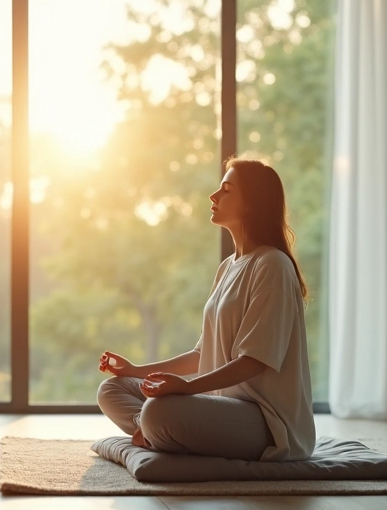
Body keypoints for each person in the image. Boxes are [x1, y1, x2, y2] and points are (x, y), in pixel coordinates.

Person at [96, 157, 315, 462]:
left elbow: (254, 361)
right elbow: (202, 355)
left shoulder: (272, 265)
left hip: (265, 423)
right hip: (221, 410)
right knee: (112, 389)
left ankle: (155, 428)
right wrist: (134, 371)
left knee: (161, 409)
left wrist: (186, 389)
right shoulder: (227, 268)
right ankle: (149, 430)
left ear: (252, 203)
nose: (213, 196)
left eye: (226, 189)